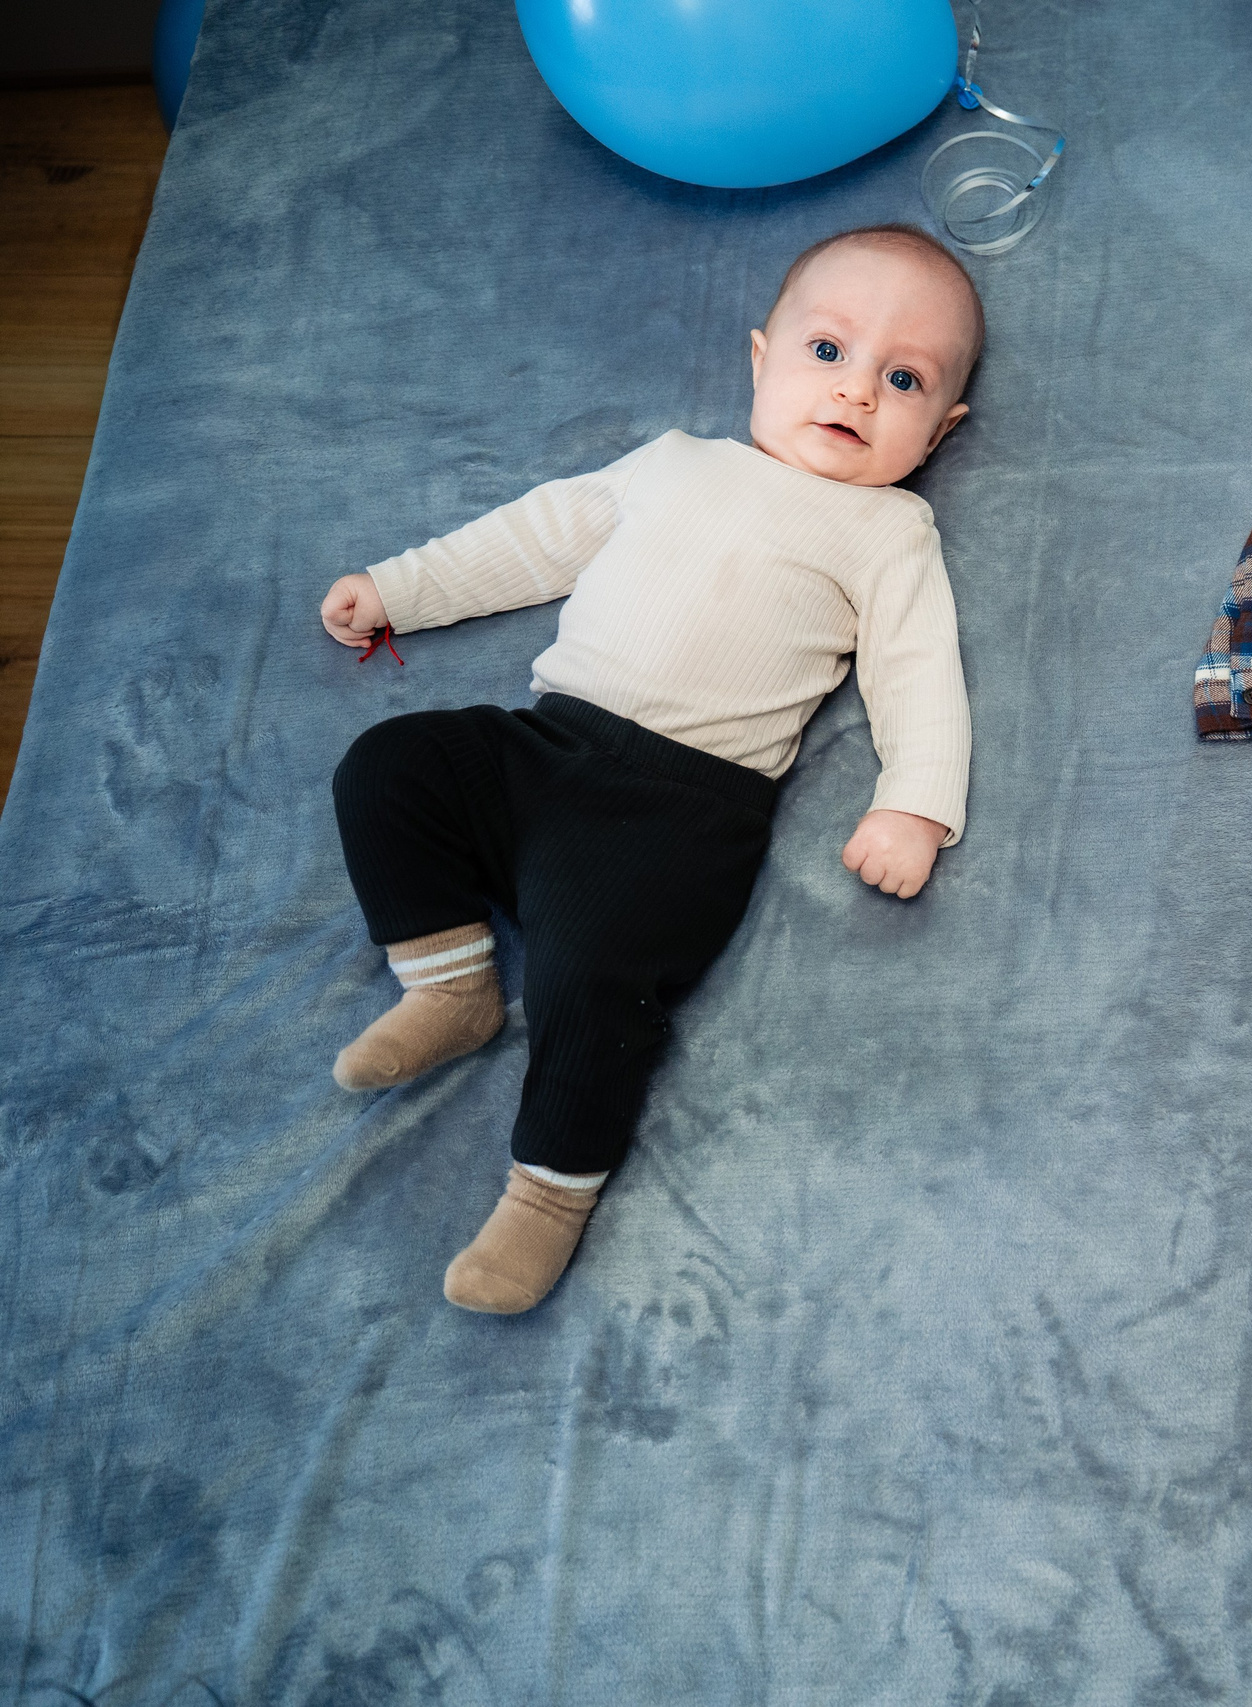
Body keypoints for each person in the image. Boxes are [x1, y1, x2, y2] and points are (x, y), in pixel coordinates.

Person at [317, 223, 981, 1313]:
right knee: (389, 767)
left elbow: (919, 669)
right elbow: (537, 536)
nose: (857, 390)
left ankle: (546, 1192)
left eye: (902, 380)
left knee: (596, 984)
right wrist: (402, 590)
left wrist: (915, 804)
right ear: (761, 359)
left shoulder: (887, 530)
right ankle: (448, 984)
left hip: (679, 812)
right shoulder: (674, 463)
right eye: (827, 351)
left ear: (942, 428)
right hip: (546, 745)